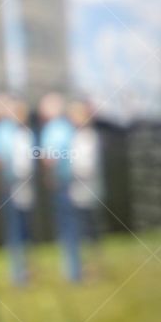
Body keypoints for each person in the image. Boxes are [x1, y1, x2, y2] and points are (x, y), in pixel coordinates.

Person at [0, 94, 35, 285]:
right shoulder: (5, 129)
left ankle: (24, 270)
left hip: (21, 187)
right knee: (16, 230)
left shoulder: (20, 132)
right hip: (12, 187)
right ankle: (18, 273)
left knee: (22, 229)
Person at [38, 92, 81, 283]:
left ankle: (72, 272)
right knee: (73, 225)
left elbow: (50, 158)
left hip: (62, 185)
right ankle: (74, 269)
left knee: (66, 227)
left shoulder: (52, 129)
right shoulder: (68, 127)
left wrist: (47, 174)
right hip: (74, 183)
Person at [68, 97, 104, 277]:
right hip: (78, 194)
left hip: (88, 193)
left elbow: (86, 167)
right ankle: (87, 267)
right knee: (83, 233)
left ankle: (95, 268)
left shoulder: (88, 137)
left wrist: (69, 169)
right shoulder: (77, 136)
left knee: (91, 234)